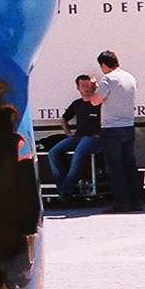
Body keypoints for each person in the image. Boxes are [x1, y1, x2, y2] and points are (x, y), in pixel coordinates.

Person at [84, 50, 141, 212]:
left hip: (112, 128)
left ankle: (121, 203)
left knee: (116, 167)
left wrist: (94, 87)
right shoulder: (129, 77)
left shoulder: (108, 79)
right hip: (128, 125)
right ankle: (137, 201)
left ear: (103, 65)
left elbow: (95, 101)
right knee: (130, 165)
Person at [49, 74, 100, 202]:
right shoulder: (76, 104)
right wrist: (68, 133)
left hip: (92, 138)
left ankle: (65, 192)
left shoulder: (99, 102)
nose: (86, 88)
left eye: (88, 85)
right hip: (77, 137)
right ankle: (63, 189)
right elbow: (64, 119)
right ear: (78, 88)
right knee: (53, 153)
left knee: (78, 153)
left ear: (93, 86)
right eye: (83, 86)